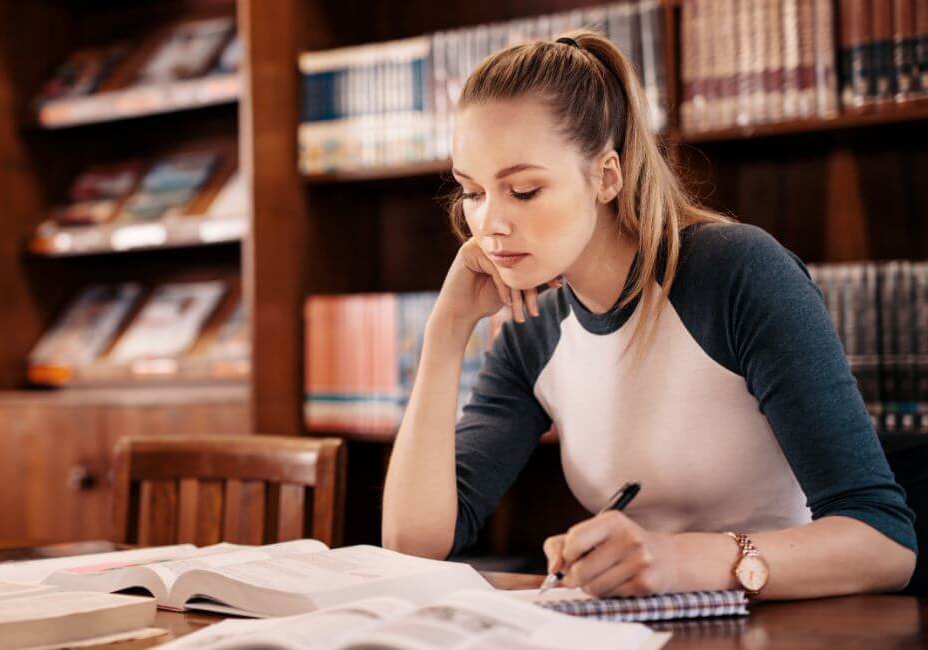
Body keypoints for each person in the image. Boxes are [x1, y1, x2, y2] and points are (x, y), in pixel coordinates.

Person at [381, 30, 917, 600]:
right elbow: (414, 543)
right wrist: (446, 331)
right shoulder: (532, 325)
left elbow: (884, 541)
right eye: (472, 191)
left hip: (792, 626)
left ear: (606, 176)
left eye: (524, 190)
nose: (490, 223)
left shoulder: (737, 274)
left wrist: (678, 560)